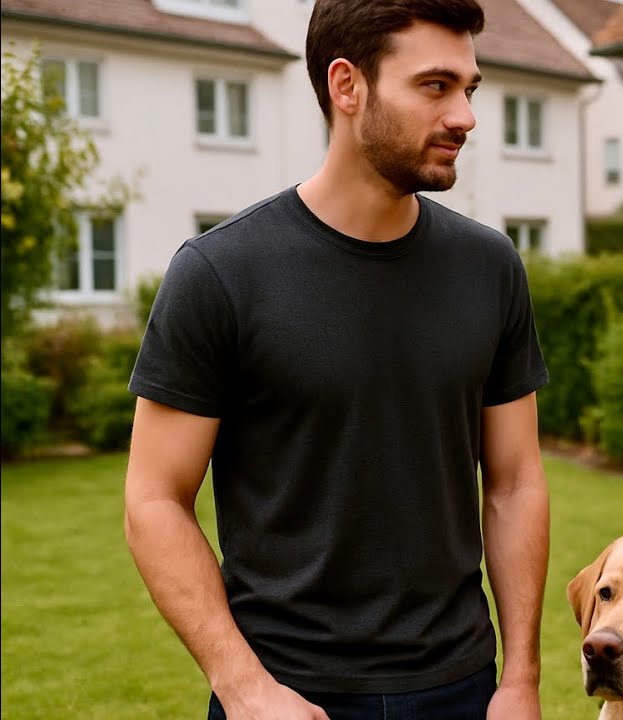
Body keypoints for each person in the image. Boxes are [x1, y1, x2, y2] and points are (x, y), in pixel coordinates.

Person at [123, 1, 549, 718]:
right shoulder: (221, 273)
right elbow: (154, 499)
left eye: (469, 89)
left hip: (462, 689)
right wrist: (245, 686)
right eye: (435, 86)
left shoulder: (491, 267)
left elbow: (514, 483)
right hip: (285, 695)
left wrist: (521, 680)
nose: (466, 117)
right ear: (347, 86)